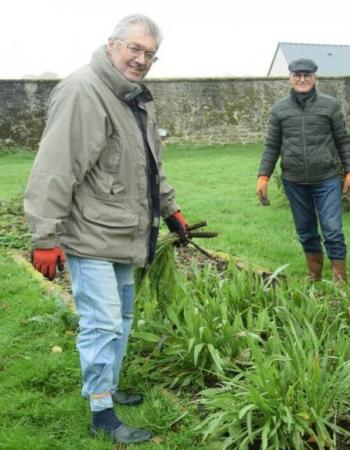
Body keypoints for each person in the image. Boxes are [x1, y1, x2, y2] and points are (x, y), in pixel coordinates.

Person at [24, 14, 189, 444]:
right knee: (102, 323)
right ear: (112, 43)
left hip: (123, 231)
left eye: (150, 53)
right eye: (135, 48)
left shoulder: (135, 98)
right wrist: (45, 237)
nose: (142, 59)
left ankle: (109, 388)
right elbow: (55, 168)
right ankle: (102, 414)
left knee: (123, 318)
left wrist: (171, 209)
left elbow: (150, 166)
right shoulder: (84, 91)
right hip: (90, 232)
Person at [256, 58, 350, 282]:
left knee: (332, 230)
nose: (302, 79)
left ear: (315, 77)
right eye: (297, 75)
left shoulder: (330, 106)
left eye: (307, 75)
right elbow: (272, 146)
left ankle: (340, 281)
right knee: (306, 231)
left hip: (326, 179)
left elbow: (343, 140)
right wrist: (263, 176)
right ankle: (315, 277)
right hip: (294, 181)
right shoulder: (279, 110)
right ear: (290, 77)